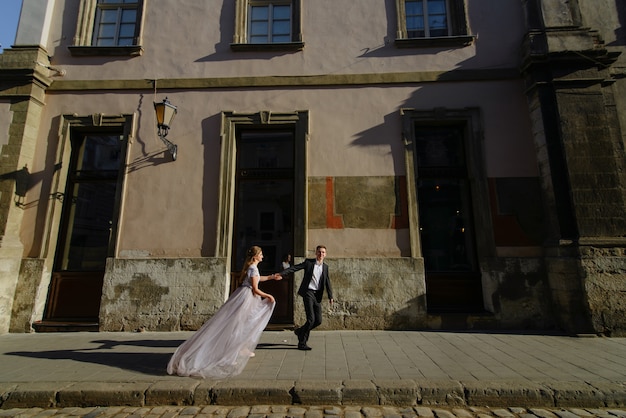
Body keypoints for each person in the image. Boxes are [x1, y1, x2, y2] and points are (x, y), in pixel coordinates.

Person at [167, 246, 282, 378]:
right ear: (255, 256)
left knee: (242, 323)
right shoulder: (252, 268)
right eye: (261, 254)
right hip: (247, 298)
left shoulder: (252, 268)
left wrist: (272, 277)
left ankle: (241, 348)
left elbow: (258, 278)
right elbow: (255, 288)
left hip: (246, 296)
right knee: (238, 324)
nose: (262, 256)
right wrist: (269, 296)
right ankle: (232, 351)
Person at [279, 245, 333, 351]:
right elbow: (295, 268)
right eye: (319, 252)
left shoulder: (325, 267)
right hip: (308, 292)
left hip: (317, 295)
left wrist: (331, 296)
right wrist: (282, 273)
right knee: (311, 319)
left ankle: (300, 331)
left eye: (323, 252)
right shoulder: (309, 263)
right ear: (315, 253)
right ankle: (302, 342)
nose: (321, 254)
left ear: (325, 254)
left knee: (318, 321)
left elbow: (327, 282)